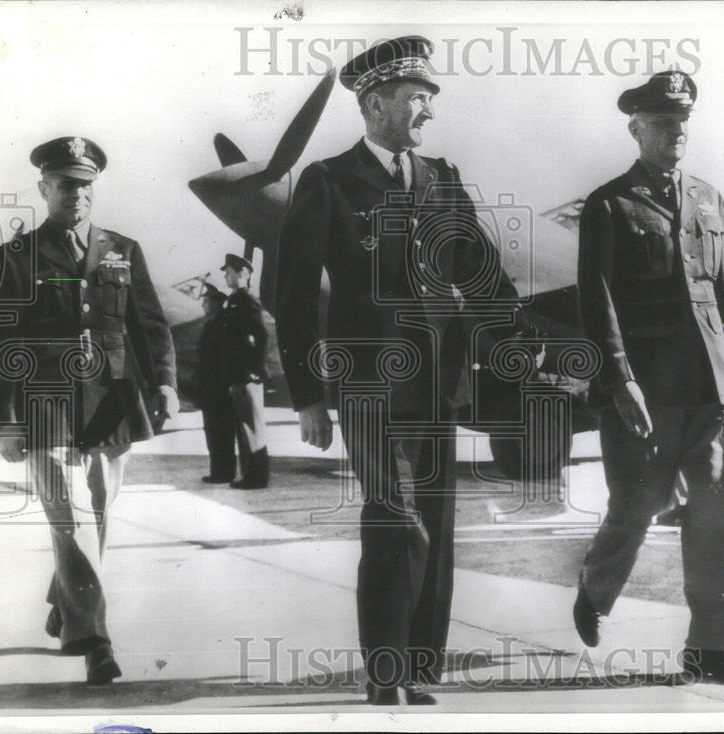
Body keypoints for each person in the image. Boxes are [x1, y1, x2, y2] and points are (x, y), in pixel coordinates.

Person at [276, 36, 526, 705]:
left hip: (439, 384)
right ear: (378, 103)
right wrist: (307, 397)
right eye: (418, 99)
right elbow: (294, 298)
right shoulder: (327, 183)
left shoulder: (441, 176)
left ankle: (417, 664)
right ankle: (385, 672)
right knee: (397, 518)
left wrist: (526, 345)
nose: (428, 114)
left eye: (428, 100)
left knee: (435, 529)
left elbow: (482, 274)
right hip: (367, 387)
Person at [573, 71, 724, 686]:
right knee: (637, 504)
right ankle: (595, 591)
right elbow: (596, 300)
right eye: (663, 122)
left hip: (710, 380)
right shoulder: (608, 203)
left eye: (683, 121)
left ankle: (709, 647)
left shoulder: (710, 199)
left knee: (716, 508)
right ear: (636, 129)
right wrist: (620, 380)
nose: (677, 131)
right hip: (646, 385)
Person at [0, 136, 179, 685]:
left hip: (111, 401)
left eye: (86, 184)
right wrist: (4, 421)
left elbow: (150, 326)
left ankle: (66, 600)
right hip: (45, 404)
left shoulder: (123, 248)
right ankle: (95, 640)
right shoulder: (15, 258)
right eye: (67, 183)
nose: (78, 194)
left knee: (99, 512)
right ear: (45, 188)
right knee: (70, 515)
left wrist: (165, 385)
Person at [221, 254, 269, 489]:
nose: (225, 276)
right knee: (244, 424)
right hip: (237, 373)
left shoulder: (247, 299)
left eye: (229, 272)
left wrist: (255, 368)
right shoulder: (235, 299)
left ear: (243, 274)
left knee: (252, 425)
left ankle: (257, 477)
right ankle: (250, 475)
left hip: (247, 374)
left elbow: (261, 334)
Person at [197, 282, 236, 483]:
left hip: (218, 389)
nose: (202, 305)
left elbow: (226, 357)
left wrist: (222, 385)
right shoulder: (212, 323)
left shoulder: (222, 324)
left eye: (205, 302)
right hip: (211, 388)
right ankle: (219, 471)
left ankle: (224, 473)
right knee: (213, 431)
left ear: (215, 304)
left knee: (220, 432)